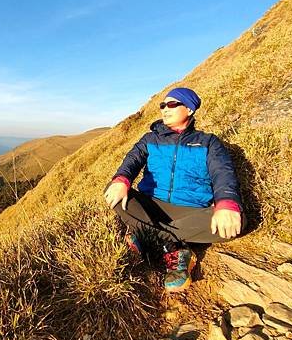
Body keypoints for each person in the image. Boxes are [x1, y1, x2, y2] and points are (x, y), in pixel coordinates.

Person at [103, 87, 246, 292]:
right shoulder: (150, 139)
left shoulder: (208, 142)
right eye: (163, 105)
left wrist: (226, 203)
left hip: (191, 209)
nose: (165, 109)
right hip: (151, 204)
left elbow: (223, 173)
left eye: (172, 104)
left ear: (189, 109)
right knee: (113, 191)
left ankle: (148, 236)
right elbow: (132, 161)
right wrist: (122, 180)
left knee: (239, 220)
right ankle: (176, 246)